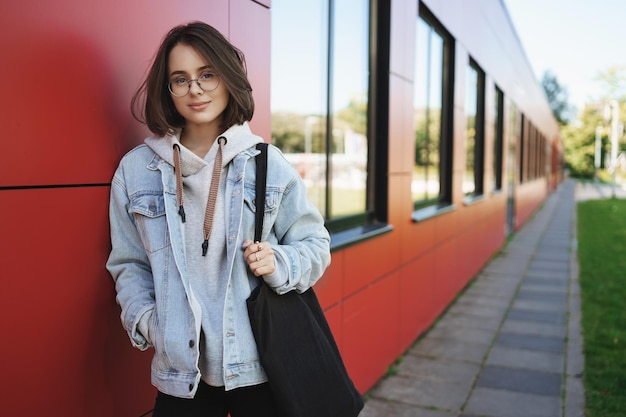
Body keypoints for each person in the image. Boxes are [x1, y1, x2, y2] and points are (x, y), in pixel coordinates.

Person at [106, 21, 331, 417]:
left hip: (259, 367)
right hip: (181, 374)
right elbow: (129, 264)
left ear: (228, 78)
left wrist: (279, 262)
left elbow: (315, 245)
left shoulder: (267, 165)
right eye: (181, 79)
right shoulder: (136, 170)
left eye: (207, 74)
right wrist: (150, 323)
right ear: (167, 89)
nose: (195, 89)